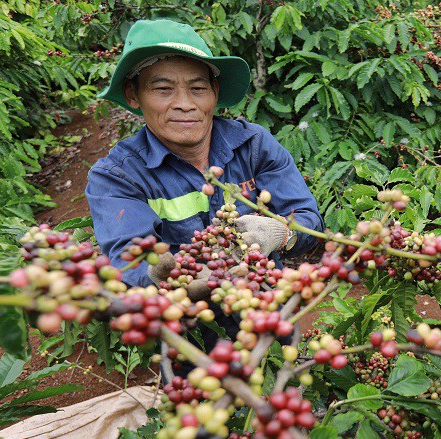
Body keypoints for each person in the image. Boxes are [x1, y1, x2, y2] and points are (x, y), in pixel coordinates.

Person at [86, 19, 323, 296]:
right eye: (163, 89)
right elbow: (132, 263)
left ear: (215, 93)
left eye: (198, 89)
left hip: (267, 311)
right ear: (133, 95)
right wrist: (171, 276)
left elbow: (308, 218)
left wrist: (282, 232)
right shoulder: (117, 176)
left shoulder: (254, 146)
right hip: (187, 329)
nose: (185, 104)